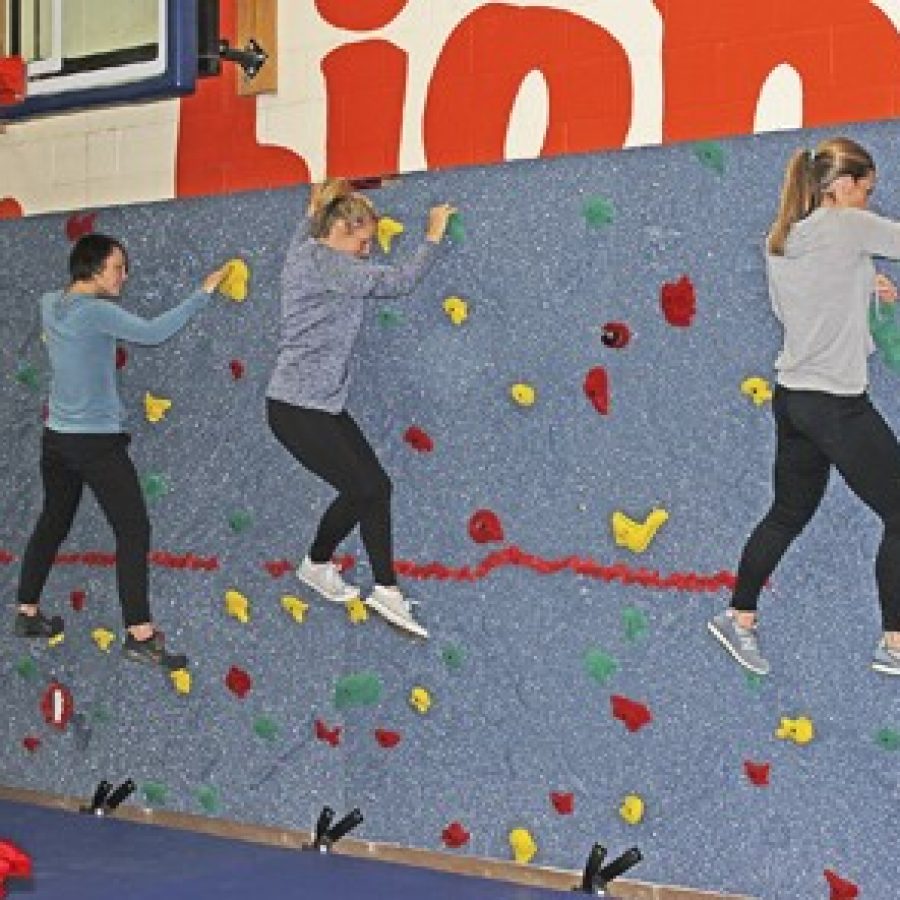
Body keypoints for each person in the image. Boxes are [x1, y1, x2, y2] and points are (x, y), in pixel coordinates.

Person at [708, 136, 900, 677]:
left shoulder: (785, 238)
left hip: (793, 401)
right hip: (837, 404)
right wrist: (864, 271)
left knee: (788, 514)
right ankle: (894, 644)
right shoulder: (846, 224)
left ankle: (738, 617)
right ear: (843, 186)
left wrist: (866, 283)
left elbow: (809, 304)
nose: (868, 200)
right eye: (867, 189)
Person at [14, 233, 229, 671]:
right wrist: (203, 293)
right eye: (118, 267)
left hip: (56, 440)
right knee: (133, 530)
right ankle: (140, 635)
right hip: (94, 442)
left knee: (53, 522)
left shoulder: (49, 303)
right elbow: (153, 332)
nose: (124, 276)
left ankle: (27, 613)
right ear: (93, 270)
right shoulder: (95, 312)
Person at [266, 178, 454, 639]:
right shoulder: (328, 264)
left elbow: (310, 220)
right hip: (298, 408)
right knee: (366, 488)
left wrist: (321, 201)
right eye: (363, 241)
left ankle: (352, 577)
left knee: (374, 488)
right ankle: (343, 572)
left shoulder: (306, 246)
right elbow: (400, 281)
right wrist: (433, 235)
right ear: (339, 232)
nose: (367, 250)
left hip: (317, 407)